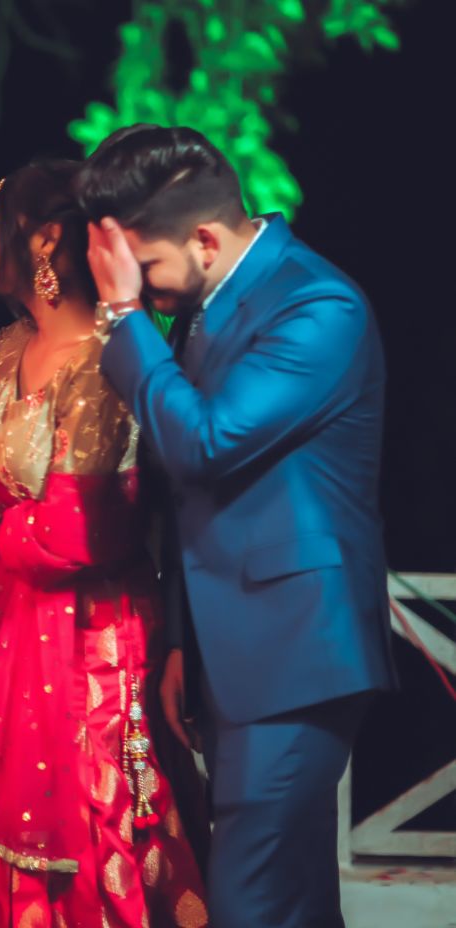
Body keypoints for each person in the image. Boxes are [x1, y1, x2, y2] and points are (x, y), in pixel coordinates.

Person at [0, 161, 209, 927]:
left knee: (99, 826)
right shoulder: (8, 350)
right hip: (28, 628)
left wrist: (4, 526)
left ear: (46, 239)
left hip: (96, 637)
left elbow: (82, 533)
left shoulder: (107, 359)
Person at [79, 125, 393, 928]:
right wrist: (187, 640)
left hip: (298, 650)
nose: (140, 292)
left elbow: (205, 447)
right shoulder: (212, 301)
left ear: (207, 239)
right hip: (234, 648)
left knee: (251, 901)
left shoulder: (319, 307)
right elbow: (199, 508)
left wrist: (121, 317)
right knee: (291, 898)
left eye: (144, 270)